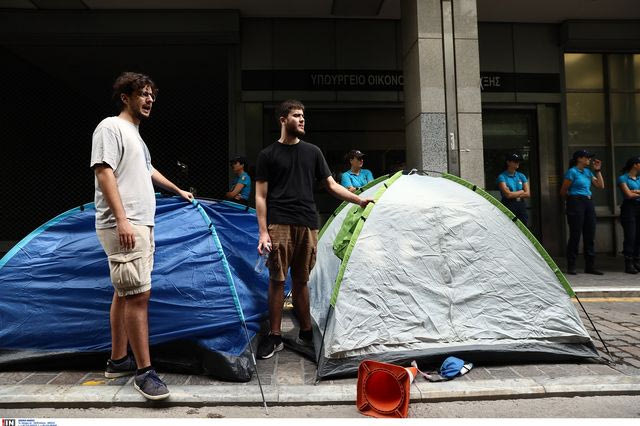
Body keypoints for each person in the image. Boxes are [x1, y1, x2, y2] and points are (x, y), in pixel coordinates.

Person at [90, 72, 194, 400]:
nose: (150, 100)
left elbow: (148, 170)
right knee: (139, 296)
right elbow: (103, 171)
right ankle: (144, 372)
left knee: (125, 293)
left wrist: (177, 190)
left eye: (152, 96)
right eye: (143, 94)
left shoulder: (135, 134)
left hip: (141, 223)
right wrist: (121, 220)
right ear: (126, 97)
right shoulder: (110, 127)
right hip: (126, 223)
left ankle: (118, 360)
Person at [254, 100, 374, 359]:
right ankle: (275, 336)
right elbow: (261, 196)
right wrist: (263, 232)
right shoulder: (267, 155)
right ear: (283, 119)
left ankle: (306, 332)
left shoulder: (313, 152)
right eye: (297, 115)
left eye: (303, 115)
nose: (302, 119)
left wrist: (359, 200)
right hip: (279, 223)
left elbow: (331, 185)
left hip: (308, 223)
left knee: (302, 280)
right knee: (277, 280)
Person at [559, 150, 605, 275]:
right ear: (579, 159)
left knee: (590, 234)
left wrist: (598, 170)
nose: (589, 159)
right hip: (576, 202)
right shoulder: (572, 172)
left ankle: (590, 266)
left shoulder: (588, 172)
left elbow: (600, 186)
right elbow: (563, 191)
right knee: (575, 234)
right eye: (587, 157)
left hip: (588, 202)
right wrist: (573, 200)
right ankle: (571, 265)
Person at [617, 156, 640, 274]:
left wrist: (635, 191)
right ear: (635, 165)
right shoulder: (623, 178)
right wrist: (634, 192)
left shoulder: (639, 178)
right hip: (629, 208)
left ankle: (637, 261)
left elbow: (632, 193)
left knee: (638, 236)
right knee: (630, 236)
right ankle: (628, 263)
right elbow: (628, 195)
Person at [497, 153, 530, 225]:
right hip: (508, 204)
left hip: (521, 204)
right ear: (508, 162)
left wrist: (513, 194)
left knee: (523, 226)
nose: (517, 163)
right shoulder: (502, 176)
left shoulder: (521, 176)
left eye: (518, 161)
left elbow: (528, 193)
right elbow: (508, 195)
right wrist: (521, 191)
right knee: (509, 226)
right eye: (515, 161)